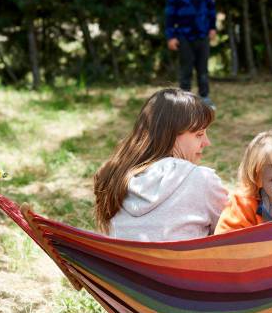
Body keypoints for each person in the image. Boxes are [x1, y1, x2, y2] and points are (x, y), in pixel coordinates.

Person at [93, 88, 227, 241]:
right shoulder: (202, 179)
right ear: (170, 136)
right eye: (199, 134)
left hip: (122, 264)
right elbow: (229, 234)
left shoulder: (115, 177)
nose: (207, 142)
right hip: (181, 265)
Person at [165, 0, 217, 109]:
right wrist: (171, 36)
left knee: (203, 69)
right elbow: (170, 16)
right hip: (184, 37)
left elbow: (211, 10)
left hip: (202, 35)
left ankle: (204, 97)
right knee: (186, 69)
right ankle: (183, 102)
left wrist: (212, 28)